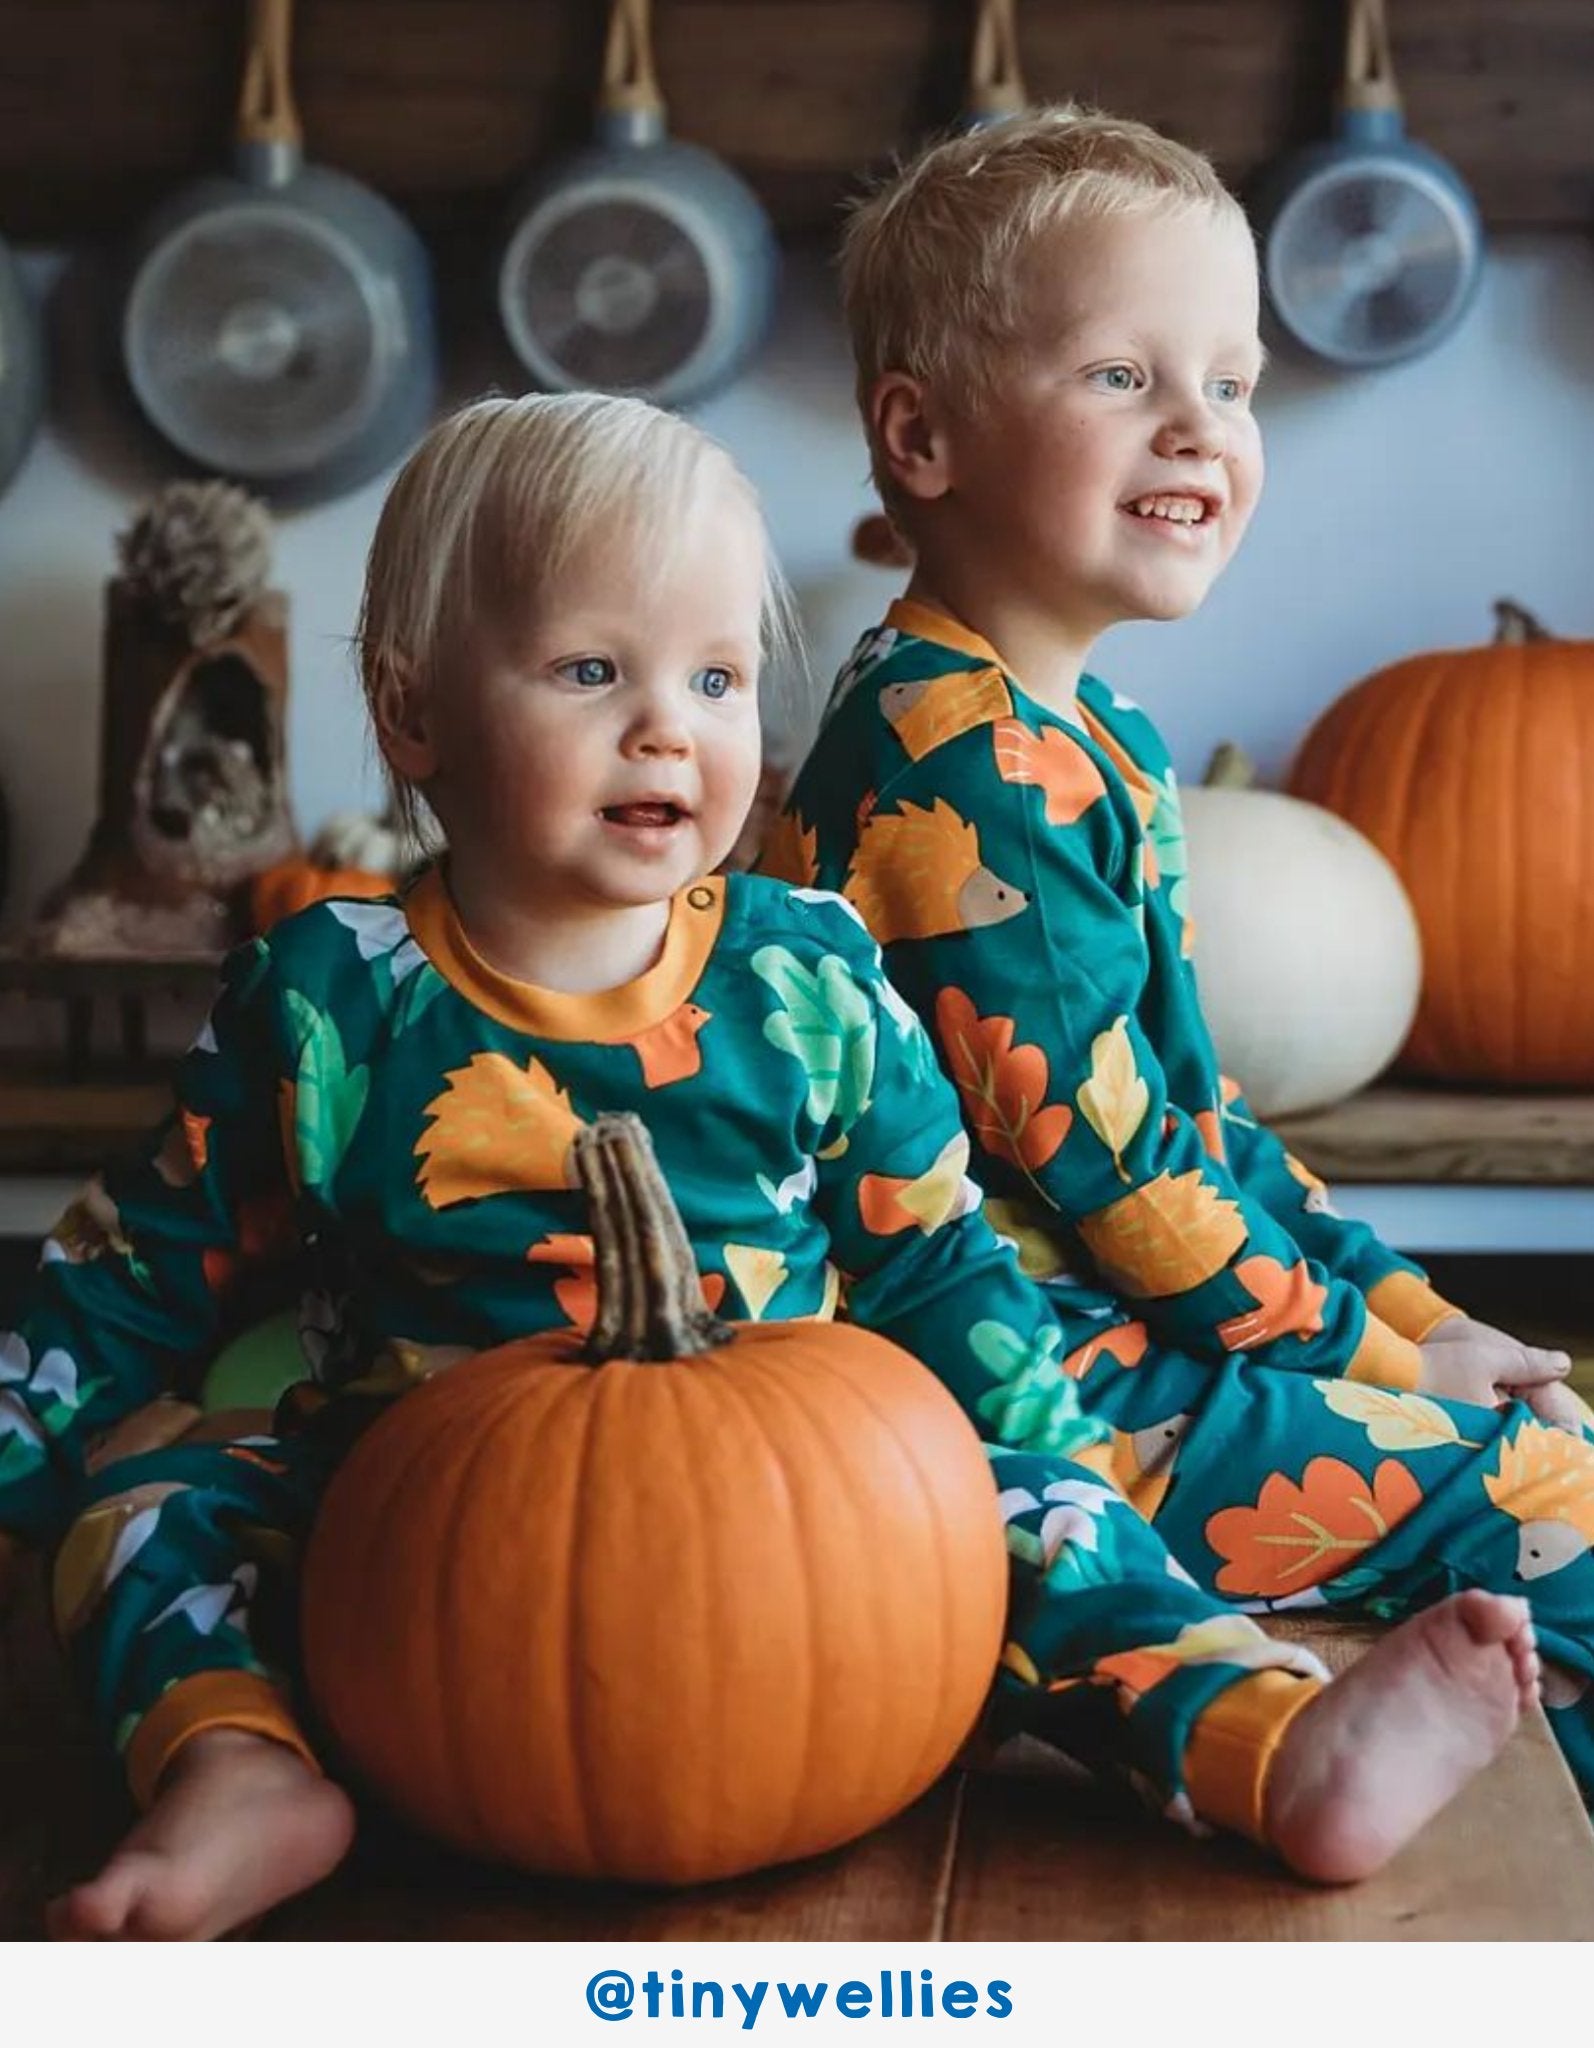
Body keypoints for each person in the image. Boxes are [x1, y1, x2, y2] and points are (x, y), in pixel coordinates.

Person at [0, 393, 1538, 1943]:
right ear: (413, 715)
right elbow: (139, 1273)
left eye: (717, 676)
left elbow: (938, 1263)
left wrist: (1062, 1478)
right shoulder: (331, 991)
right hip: (422, 1553)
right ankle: (242, 1767)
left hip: (787, 1533)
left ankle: (1265, 1752)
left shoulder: (802, 975)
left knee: (1030, 1524)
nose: (667, 724)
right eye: (592, 670)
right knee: (146, 1506)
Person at [765, 106, 1594, 1782]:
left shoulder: (1088, 741)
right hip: (1027, 1398)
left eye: (1231, 382)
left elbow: (1192, 1123)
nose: (1197, 429)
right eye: (1120, 378)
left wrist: (1409, 1312)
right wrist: (1385, 1352)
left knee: (1526, 1439)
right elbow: (1122, 1179)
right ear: (920, 439)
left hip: (1131, 1335)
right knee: (1557, 1504)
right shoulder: (960, 764)